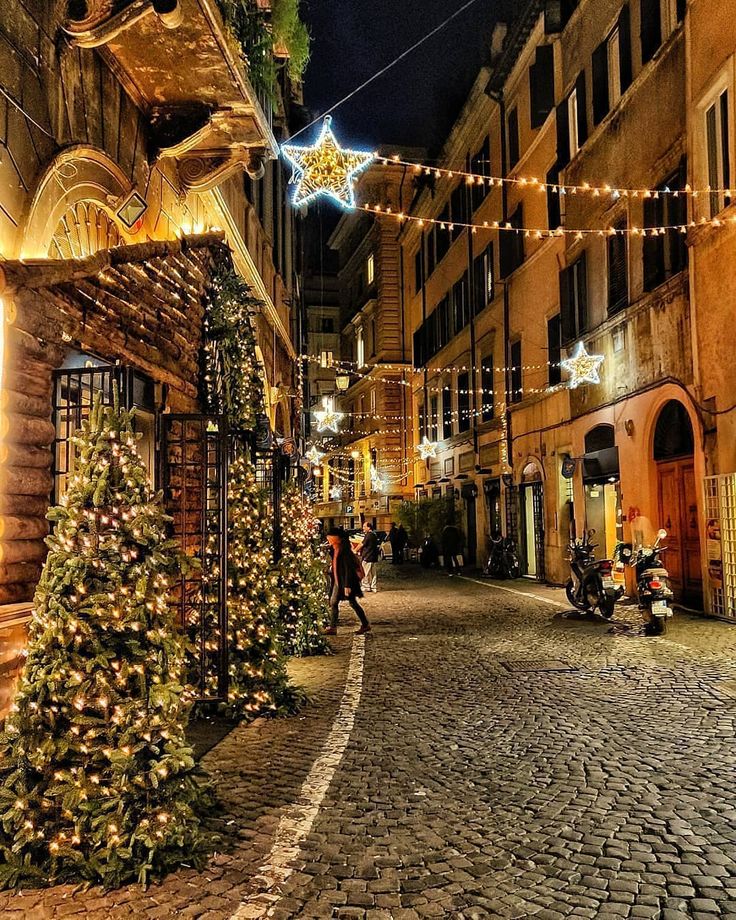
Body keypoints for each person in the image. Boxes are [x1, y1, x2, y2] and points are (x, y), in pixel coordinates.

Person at [324, 527, 371, 636]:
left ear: (337, 538)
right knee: (333, 602)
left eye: (330, 537)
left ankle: (365, 624)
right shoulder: (334, 549)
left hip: (345, 581)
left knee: (352, 602)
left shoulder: (344, 551)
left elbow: (348, 569)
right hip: (337, 580)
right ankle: (333, 627)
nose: (328, 539)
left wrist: (347, 585)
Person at [359, 521, 379, 593]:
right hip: (374, 557)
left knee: (365, 573)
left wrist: (354, 550)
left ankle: (366, 586)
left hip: (367, 557)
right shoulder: (374, 535)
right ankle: (374, 587)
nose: (363, 528)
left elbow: (362, 544)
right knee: (374, 573)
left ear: (368, 527)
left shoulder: (368, 535)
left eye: (364, 526)